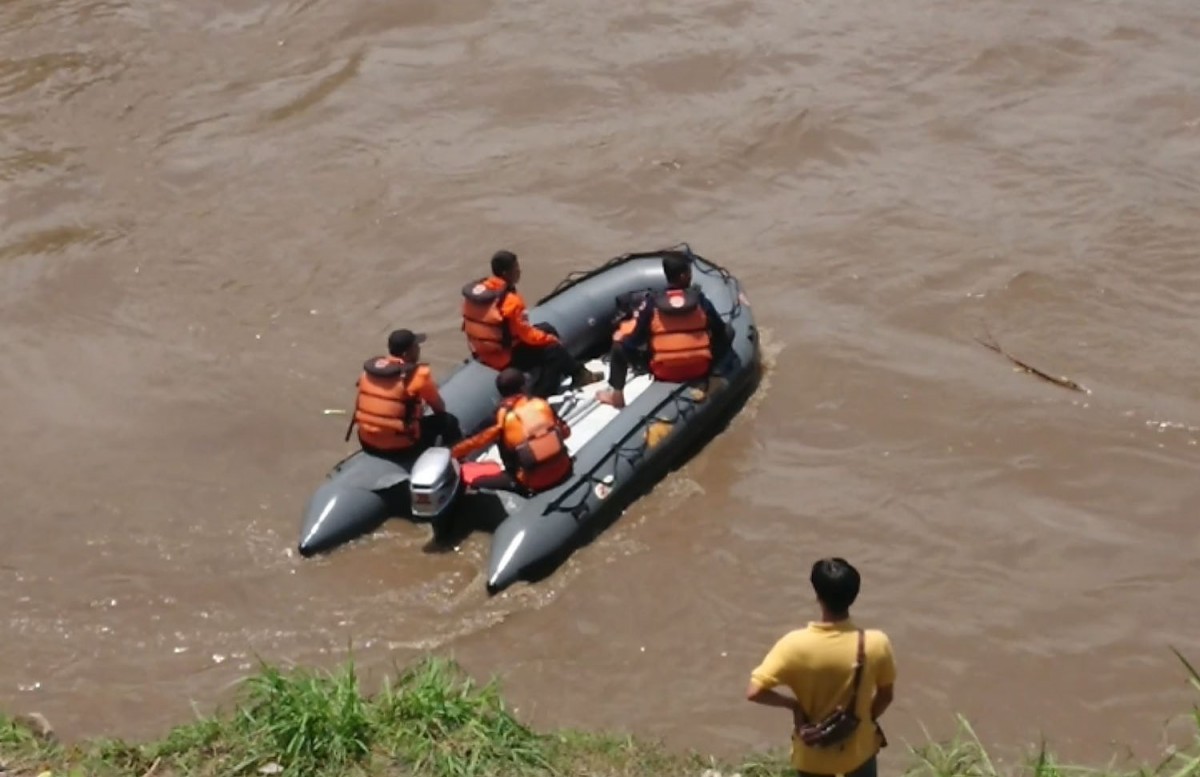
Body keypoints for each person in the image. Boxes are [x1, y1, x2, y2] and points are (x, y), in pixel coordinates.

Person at [746, 558, 896, 777]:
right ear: (854, 595)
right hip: (859, 752)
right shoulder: (876, 643)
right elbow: (886, 696)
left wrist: (794, 705)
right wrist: (864, 718)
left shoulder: (793, 645)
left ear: (818, 596)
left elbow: (754, 692)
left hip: (812, 755)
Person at [596, 252, 731, 408]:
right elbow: (720, 330)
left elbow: (635, 341)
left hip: (663, 371)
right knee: (729, 331)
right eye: (689, 272)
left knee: (619, 344)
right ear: (683, 276)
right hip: (700, 368)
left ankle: (617, 397)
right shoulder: (700, 300)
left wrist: (625, 339)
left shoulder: (651, 303)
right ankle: (715, 372)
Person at [460, 249, 602, 397]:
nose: (519, 271)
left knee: (547, 328)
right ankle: (544, 393)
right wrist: (549, 339)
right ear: (505, 273)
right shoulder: (511, 302)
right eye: (515, 269)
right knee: (553, 349)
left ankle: (573, 372)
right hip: (504, 356)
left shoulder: (480, 295)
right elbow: (527, 335)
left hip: (485, 350)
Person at [448, 367, 573, 495]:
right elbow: (566, 433)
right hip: (565, 470)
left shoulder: (498, 418)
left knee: (473, 478)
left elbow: (468, 444)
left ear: (501, 393)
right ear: (523, 387)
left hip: (529, 483)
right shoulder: (541, 404)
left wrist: (452, 454)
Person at [348, 329, 463, 455]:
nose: (419, 349)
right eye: (416, 346)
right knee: (448, 421)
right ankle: (457, 459)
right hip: (403, 447)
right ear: (407, 353)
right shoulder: (418, 375)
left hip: (366, 443)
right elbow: (439, 408)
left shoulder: (368, 373)